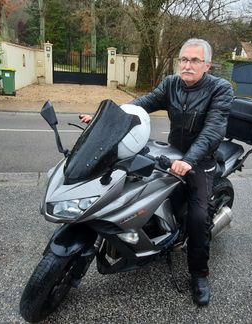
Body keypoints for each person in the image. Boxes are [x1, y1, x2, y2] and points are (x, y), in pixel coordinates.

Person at [81, 38, 233, 306]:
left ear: (207, 65)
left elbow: (214, 129)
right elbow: (140, 105)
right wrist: (105, 119)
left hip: (201, 160)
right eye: (184, 59)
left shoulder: (220, 89)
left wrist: (190, 159)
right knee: (131, 182)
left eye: (195, 60)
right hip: (173, 153)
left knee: (198, 218)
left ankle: (199, 274)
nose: (187, 65)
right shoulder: (172, 83)